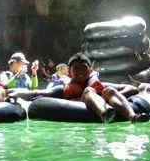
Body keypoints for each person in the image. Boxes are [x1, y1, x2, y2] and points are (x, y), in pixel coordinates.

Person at [9, 53, 140, 123]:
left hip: (107, 105)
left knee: (109, 90)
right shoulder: (63, 89)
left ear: (90, 70)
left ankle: (132, 116)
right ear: (69, 72)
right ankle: (104, 114)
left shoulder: (98, 84)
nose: (80, 71)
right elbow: (37, 93)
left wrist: (107, 100)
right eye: (76, 68)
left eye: (84, 68)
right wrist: (16, 93)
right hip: (81, 107)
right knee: (88, 91)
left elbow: (132, 89)